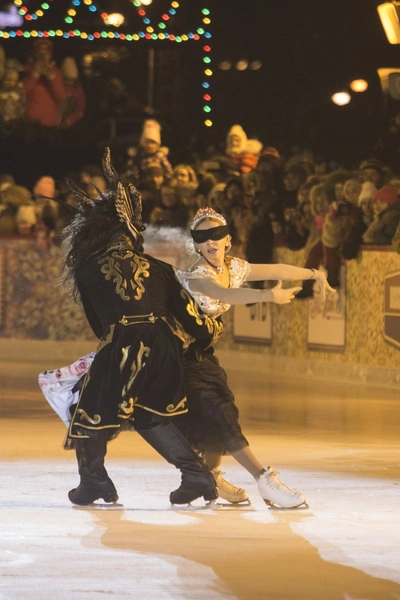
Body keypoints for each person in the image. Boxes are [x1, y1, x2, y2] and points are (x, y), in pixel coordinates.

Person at [58, 148, 225, 508]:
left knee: (86, 410)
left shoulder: (87, 270)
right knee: (152, 413)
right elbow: (196, 323)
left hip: (120, 340)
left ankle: (94, 482)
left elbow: (99, 324)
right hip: (161, 345)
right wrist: (210, 334)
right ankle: (196, 476)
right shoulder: (160, 269)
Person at [172, 207, 336, 508]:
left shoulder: (234, 267)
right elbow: (226, 295)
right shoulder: (196, 276)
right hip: (176, 358)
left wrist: (316, 274)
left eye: (217, 235)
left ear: (228, 240)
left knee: (220, 417)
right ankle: (264, 479)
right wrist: (266, 296)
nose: (211, 242)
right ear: (195, 244)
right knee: (220, 414)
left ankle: (211, 476)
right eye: (203, 237)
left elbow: (276, 270)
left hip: (202, 356)